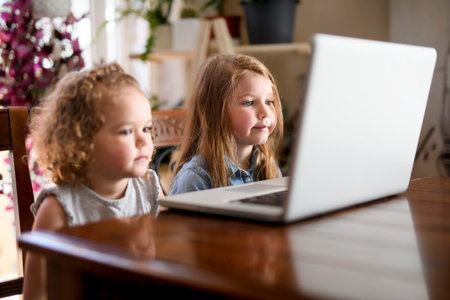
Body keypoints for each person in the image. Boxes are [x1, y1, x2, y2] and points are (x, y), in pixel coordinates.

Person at [24, 62, 162, 299]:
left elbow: (164, 262)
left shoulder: (149, 187)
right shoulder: (58, 208)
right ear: (82, 141)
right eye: (126, 131)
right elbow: (36, 294)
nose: (143, 141)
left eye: (147, 128)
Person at [170, 54, 284, 194]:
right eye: (249, 102)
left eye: (269, 101)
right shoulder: (195, 179)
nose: (265, 112)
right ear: (215, 112)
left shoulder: (267, 166)